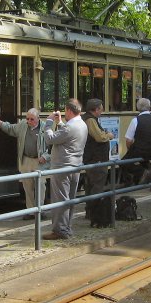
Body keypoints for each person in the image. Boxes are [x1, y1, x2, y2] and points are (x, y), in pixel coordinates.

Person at [0, 109, 51, 219]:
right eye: (27, 119)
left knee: (40, 186)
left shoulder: (45, 127)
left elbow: (52, 146)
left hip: (39, 161)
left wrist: (45, 156)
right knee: (27, 186)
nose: (29, 121)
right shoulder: (23, 125)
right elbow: (11, 129)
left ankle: (40, 210)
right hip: (26, 160)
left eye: (32, 119)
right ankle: (31, 211)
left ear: (38, 118)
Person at [42, 99, 88, 240]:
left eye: (65, 110)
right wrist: (60, 123)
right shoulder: (82, 124)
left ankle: (59, 231)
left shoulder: (69, 127)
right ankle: (66, 227)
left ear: (68, 110)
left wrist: (49, 123)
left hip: (62, 167)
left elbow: (50, 139)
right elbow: (67, 135)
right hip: (75, 166)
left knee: (60, 200)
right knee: (69, 199)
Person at [82, 98, 114, 218]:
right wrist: (109, 135)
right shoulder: (90, 120)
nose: (102, 111)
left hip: (92, 158)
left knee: (91, 186)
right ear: (95, 109)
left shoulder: (88, 118)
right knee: (96, 186)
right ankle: (94, 212)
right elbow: (99, 137)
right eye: (101, 108)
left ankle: (91, 211)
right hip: (96, 159)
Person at [123, 97, 151, 185]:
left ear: (138, 107)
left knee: (123, 163)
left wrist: (131, 150)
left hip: (139, 150)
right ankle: (146, 172)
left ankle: (140, 174)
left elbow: (128, 140)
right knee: (145, 162)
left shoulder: (135, 120)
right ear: (149, 107)